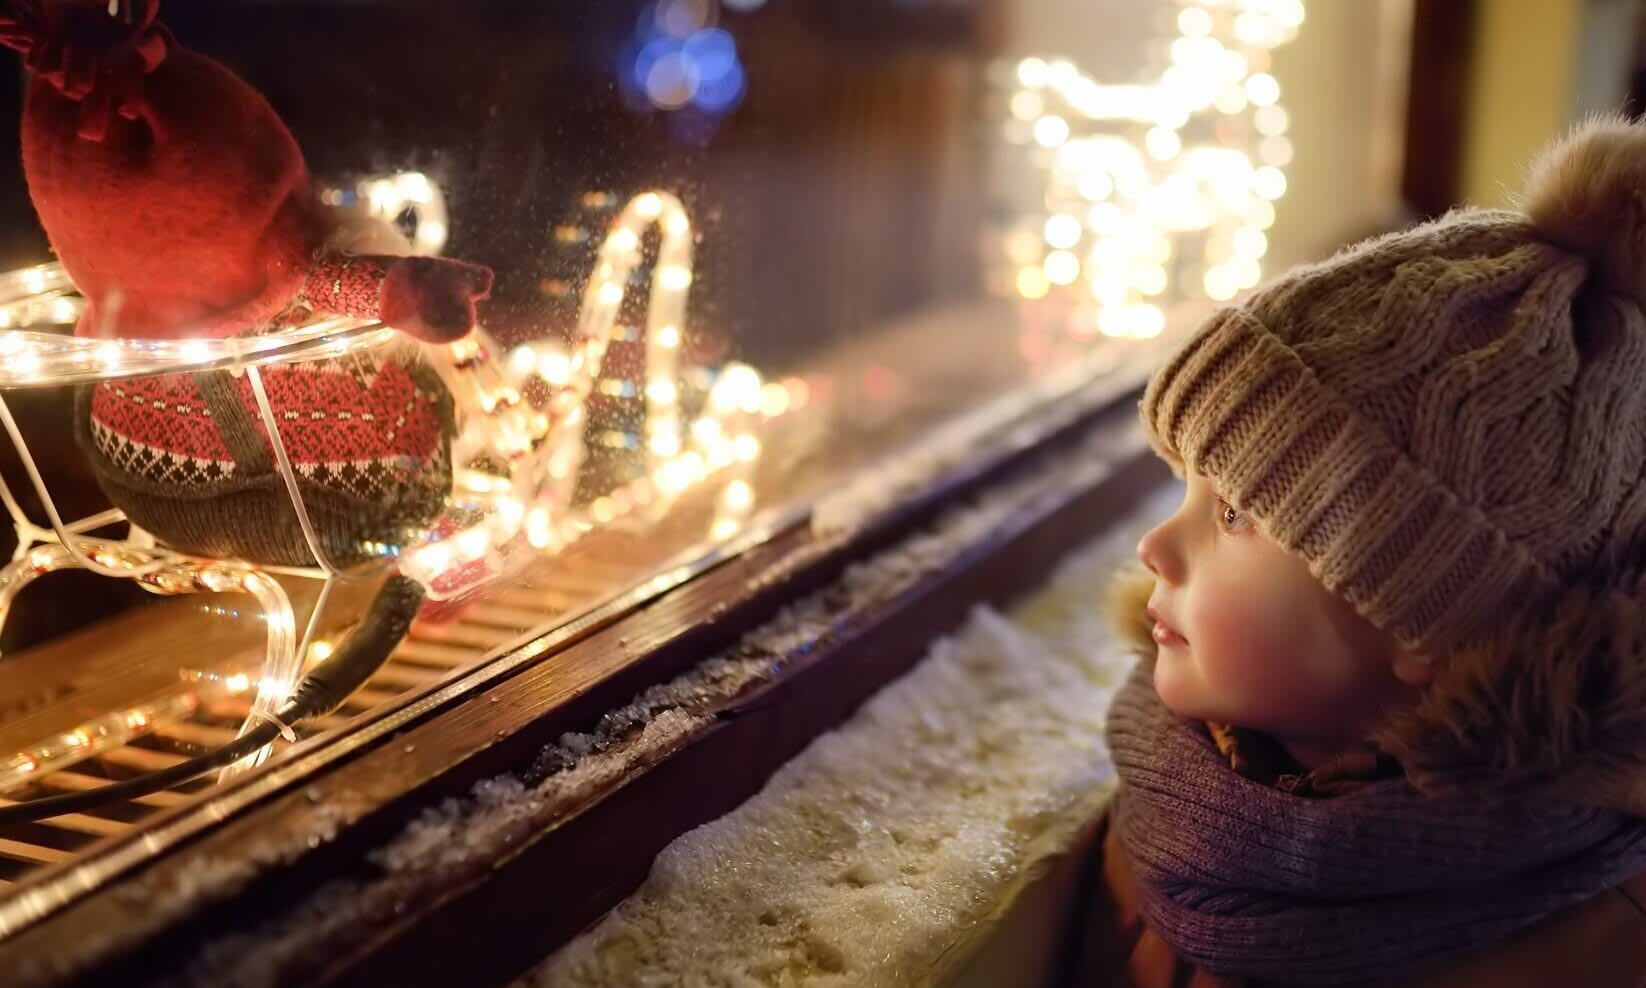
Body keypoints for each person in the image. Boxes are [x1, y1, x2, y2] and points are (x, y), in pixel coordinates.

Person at [1075, 113, 1646, 988]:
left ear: (1427, 618)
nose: (1155, 546)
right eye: (1185, 489)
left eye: (1232, 516)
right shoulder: (1174, 792)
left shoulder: (1592, 937)